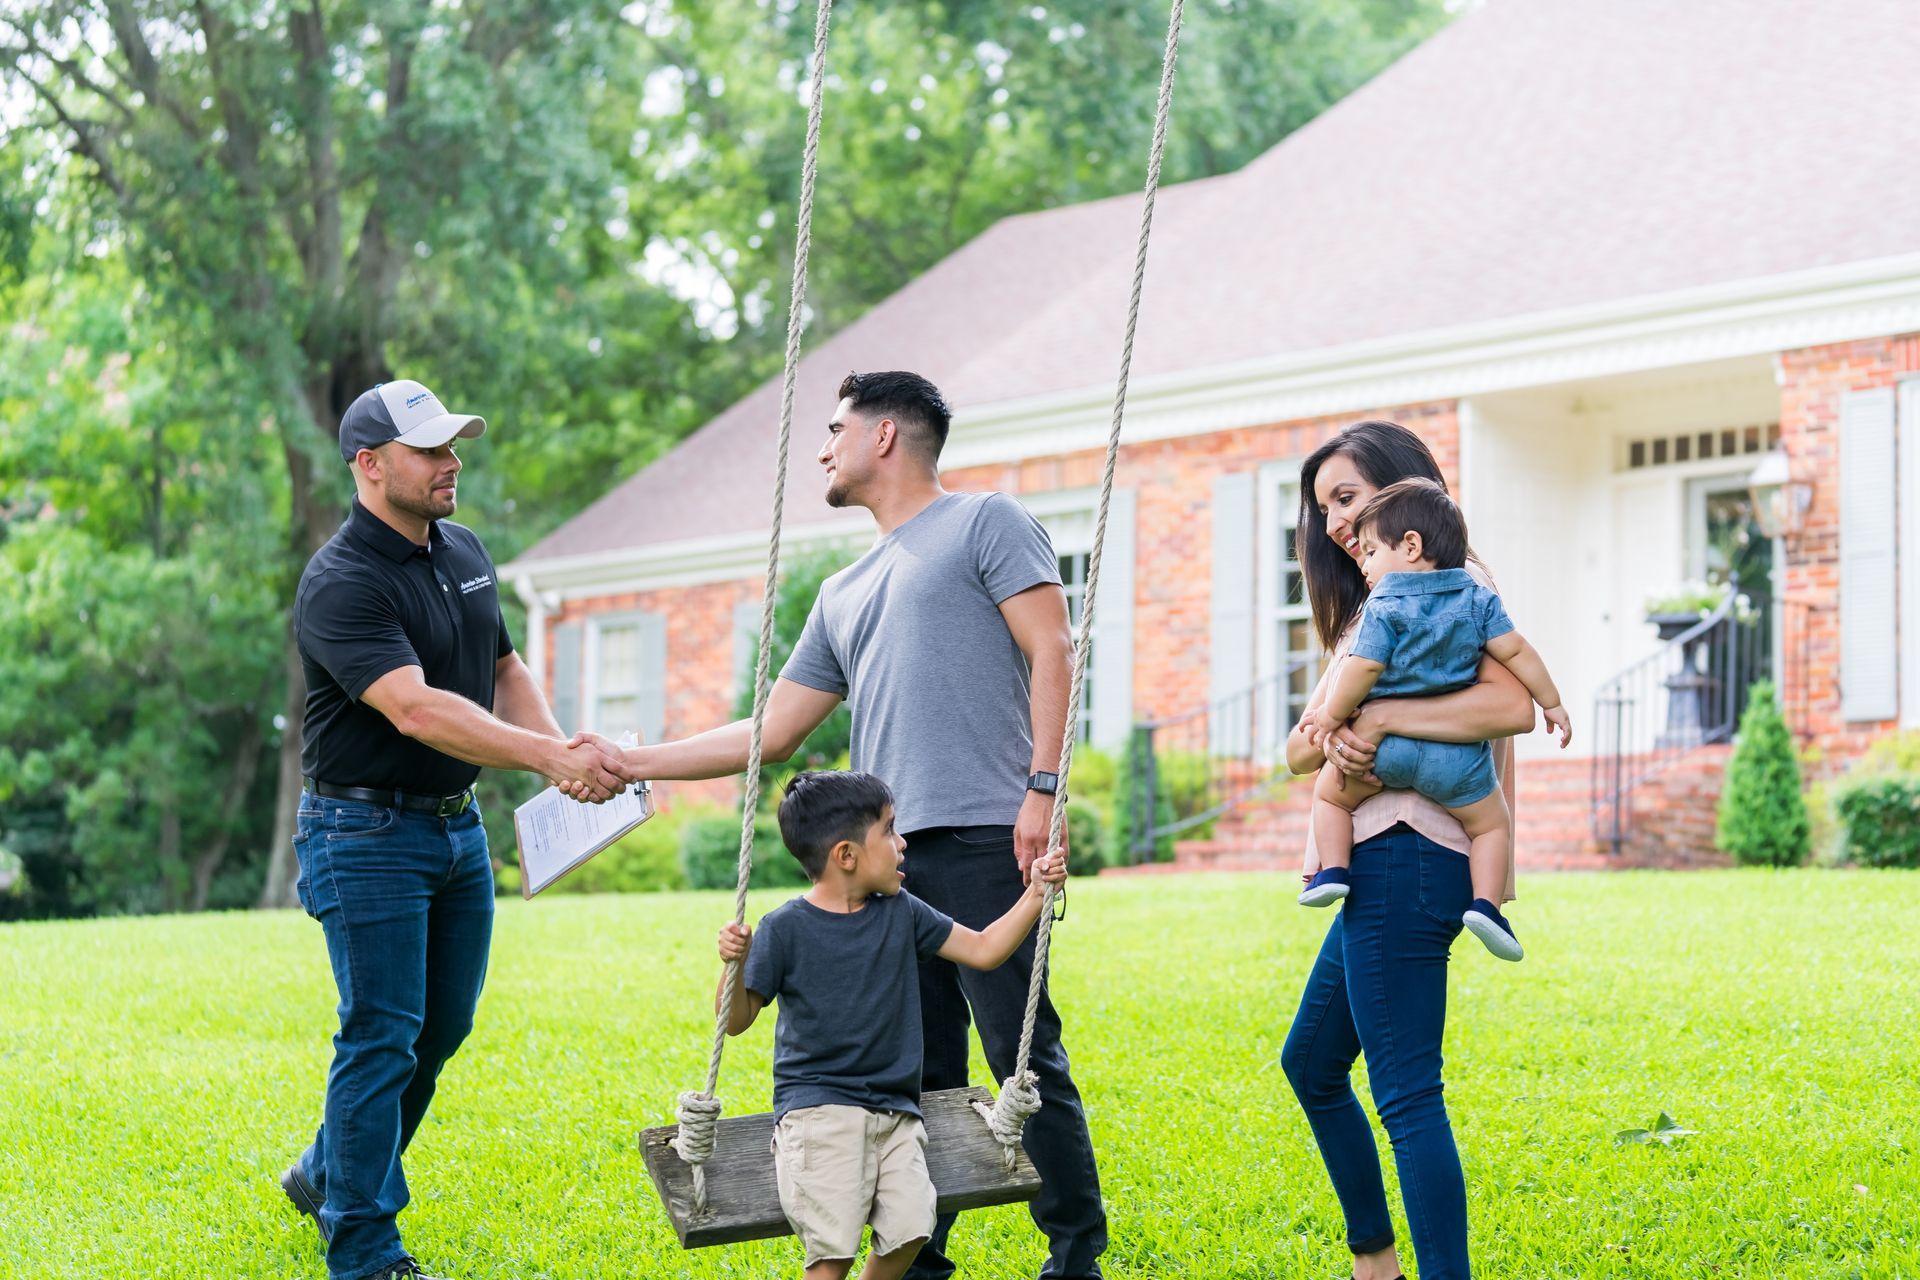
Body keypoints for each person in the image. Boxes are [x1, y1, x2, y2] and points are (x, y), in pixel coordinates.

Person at [592, 371, 1108, 1280]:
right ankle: (918, 1258)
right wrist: (635, 763)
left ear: (883, 436)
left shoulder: (985, 522)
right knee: (919, 1074)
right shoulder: (841, 590)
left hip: (991, 828)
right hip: (887, 862)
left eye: (834, 430)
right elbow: (775, 730)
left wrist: (1042, 790)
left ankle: (1074, 1254)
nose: (822, 449)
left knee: (1021, 1048)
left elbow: (1052, 646)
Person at [281, 379, 627, 1280]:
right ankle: (362, 1247)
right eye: (430, 449)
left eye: (453, 444)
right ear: (369, 465)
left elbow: (503, 664)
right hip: (363, 837)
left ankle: (326, 1171)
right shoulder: (340, 581)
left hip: (453, 830)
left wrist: (561, 756)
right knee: (382, 1034)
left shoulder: (463, 550)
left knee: (439, 1031)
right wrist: (552, 762)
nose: (452, 462)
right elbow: (419, 710)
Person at [1280, 421, 1539, 1280]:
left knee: (1406, 1095)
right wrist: (1345, 728)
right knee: (1313, 1064)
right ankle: (1375, 1261)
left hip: (1412, 850)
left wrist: (1379, 719)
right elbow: (1298, 749)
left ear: (1404, 493)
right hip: (1379, 854)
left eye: (1348, 499)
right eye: (1324, 510)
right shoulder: (1374, 602)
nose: (1336, 525)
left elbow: (1510, 706)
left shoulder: (1450, 586)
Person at [716, 771, 1069, 1280]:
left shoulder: (901, 912)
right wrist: (732, 964)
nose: (903, 843)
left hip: (897, 1113)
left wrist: (1035, 894)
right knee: (832, 1251)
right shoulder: (783, 929)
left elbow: (984, 950)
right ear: (847, 855)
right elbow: (737, 1021)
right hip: (820, 1114)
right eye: (889, 830)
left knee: (910, 1230)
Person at [1297, 478, 1571, 961]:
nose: (1362, 563)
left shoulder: (1385, 602)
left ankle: (1333, 872)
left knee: (1329, 797)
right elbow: (1518, 651)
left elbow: (1365, 667)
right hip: (1457, 763)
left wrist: (1333, 716)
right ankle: (1487, 906)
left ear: (1410, 545)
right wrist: (1552, 702)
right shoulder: (1476, 599)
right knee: (1492, 825)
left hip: (1385, 758)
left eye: (1370, 553)